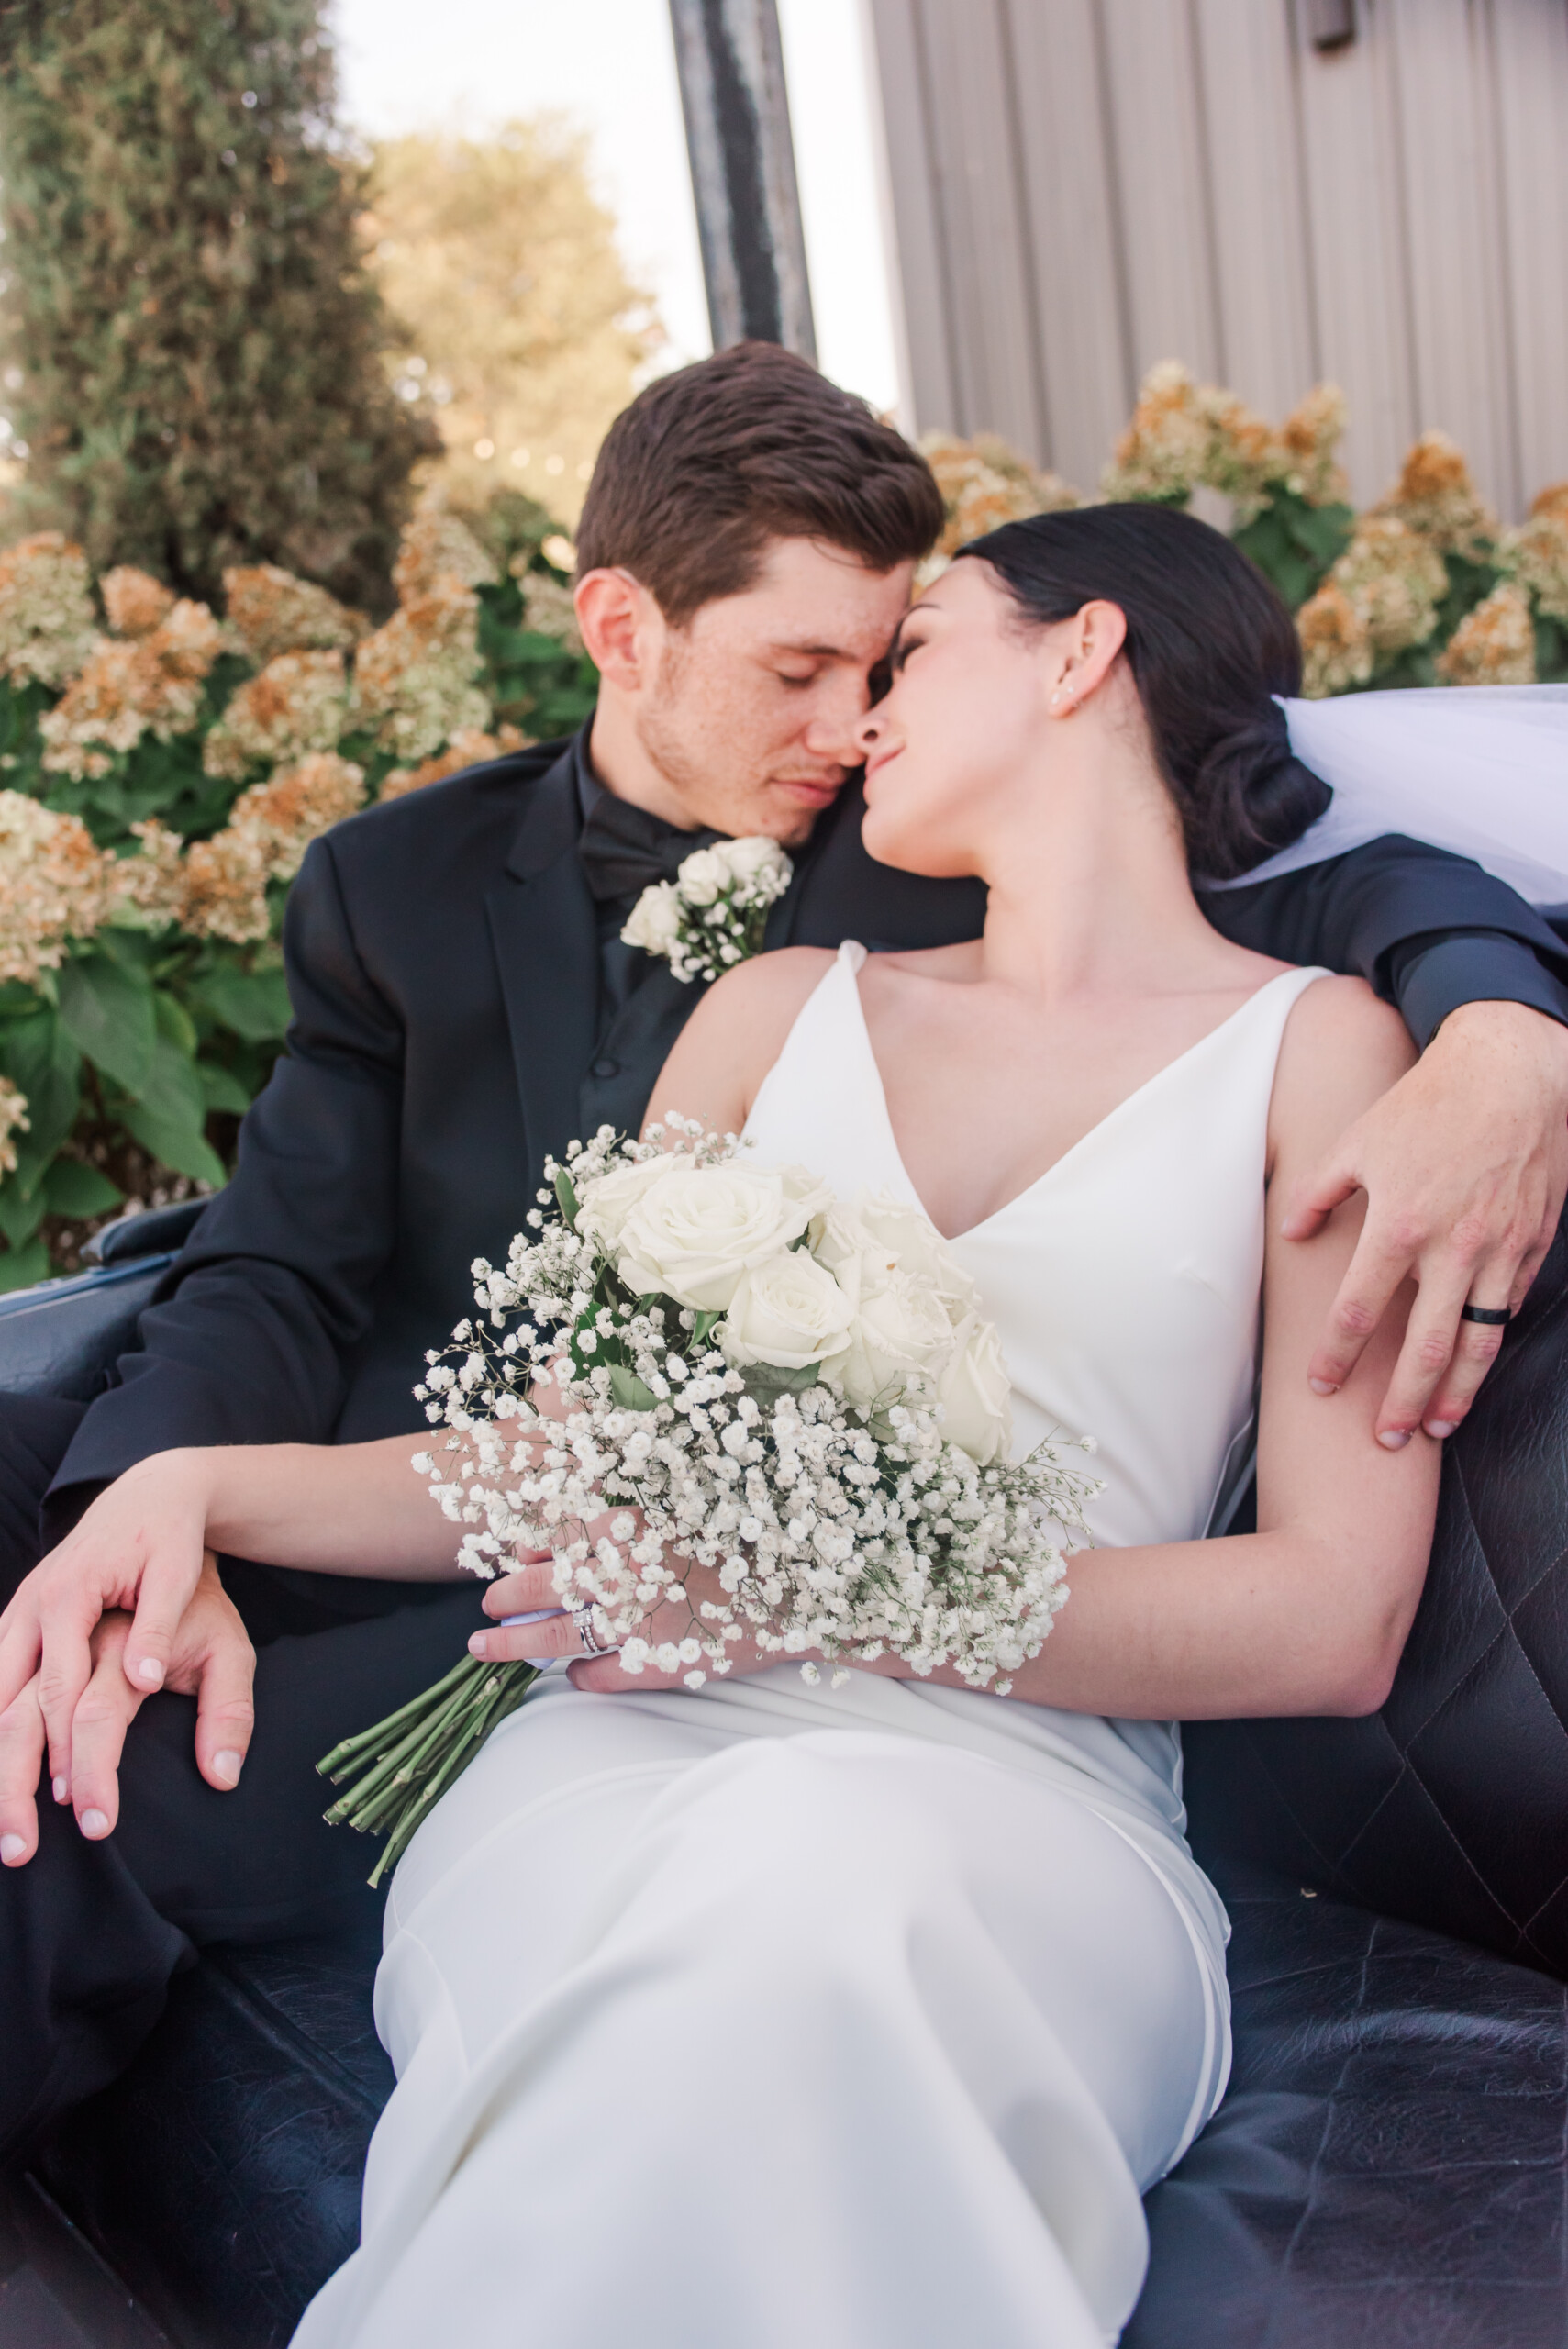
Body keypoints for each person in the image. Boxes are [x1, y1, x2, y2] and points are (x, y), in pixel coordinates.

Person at [0, 348, 1564, 2169]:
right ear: (621, 626)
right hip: (486, 1544)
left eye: (894, 657)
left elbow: (1329, 872)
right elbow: (285, 1275)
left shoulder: (989, 893)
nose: (853, 720)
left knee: (765, 1910)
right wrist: (163, 1502)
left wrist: (1509, 1031)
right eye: (804, 669)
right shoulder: (426, 892)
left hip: (727, 1662)